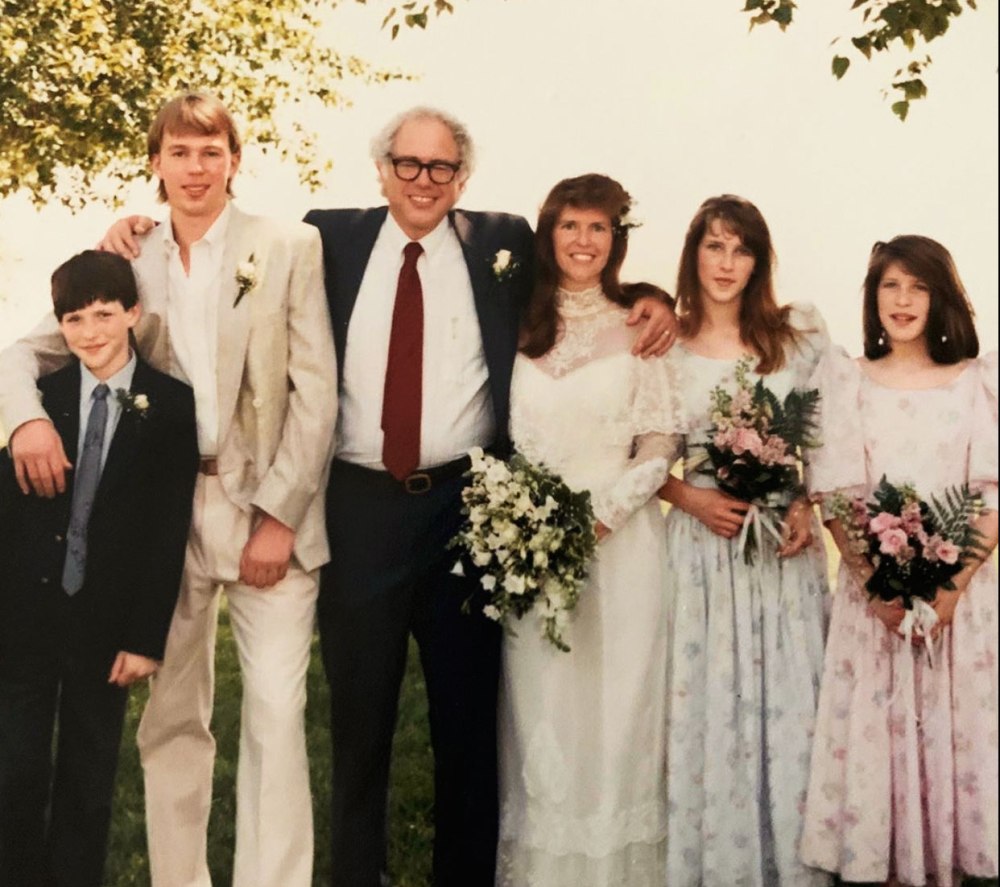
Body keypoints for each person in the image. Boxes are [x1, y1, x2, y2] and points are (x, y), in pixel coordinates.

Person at [96, 105, 675, 886]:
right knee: (360, 723)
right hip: (359, 505)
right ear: (382, 169)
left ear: (461, 178)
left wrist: (652, 298)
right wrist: (128, 232)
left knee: (466, 722)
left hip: (467, 509)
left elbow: (583, 274)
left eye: (441, 168)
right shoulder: (324, 238)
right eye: (408, 164)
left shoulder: (500, 241)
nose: (423, 181)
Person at [0, 93, 338, 887]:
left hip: (266, 509)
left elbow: (317, 390)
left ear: (234, 160)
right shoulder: (131, 260)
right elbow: (31, 348)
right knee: (173, 716)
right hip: (170, 514)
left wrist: (280, 515)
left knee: (275, 716)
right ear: (156, 161)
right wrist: (23, 423)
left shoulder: (289, 245)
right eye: (179, 151)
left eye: (211, 150)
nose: (195, 167)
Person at [494, 173, 681, 885]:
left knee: (620, 707)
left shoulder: (640, 324)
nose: (583, 241)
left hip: (620, 543)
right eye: (570, 226)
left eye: (598, 228)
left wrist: (600, 514)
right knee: (542, 704)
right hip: (529, 549)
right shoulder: (516, 321)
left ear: (617, 238)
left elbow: (659, 442)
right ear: (549, 234)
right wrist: (525, 525)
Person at [799, 235, 998, 887]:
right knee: (881, 759)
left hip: (957, 605)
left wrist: (949, 590)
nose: (903, 299)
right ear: (873, 297)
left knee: (954, 748)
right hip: (874, 609)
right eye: (890, 285)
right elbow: (834, 495)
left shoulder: (977, 381)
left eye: (918, 286)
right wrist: (877, 586)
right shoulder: (849, 380)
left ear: (941, 296)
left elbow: (991, 495)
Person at [0, 251, 198, 887]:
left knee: (88, 777)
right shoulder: (40, 402)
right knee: (15, 768)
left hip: (107, 625)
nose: (89, 331)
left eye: (104, 315)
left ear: (133, 314)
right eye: (74, 319)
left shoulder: (170, 406)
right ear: (59, 325)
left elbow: (168, 529)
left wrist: (144, 639)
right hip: (26, 617)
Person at [659, 195, 832, 886]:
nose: (726, 263)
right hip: (704, 548)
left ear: (759, 260)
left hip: (781, 554)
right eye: (714, 245)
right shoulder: (664, 345)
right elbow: (640, 455)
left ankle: (792, 862)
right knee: (711, 705)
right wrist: (691, 496)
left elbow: (828, 440)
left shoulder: (794, 338)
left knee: (787, 708)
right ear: (693, 253)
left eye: (741, 248)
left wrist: (805, 504)